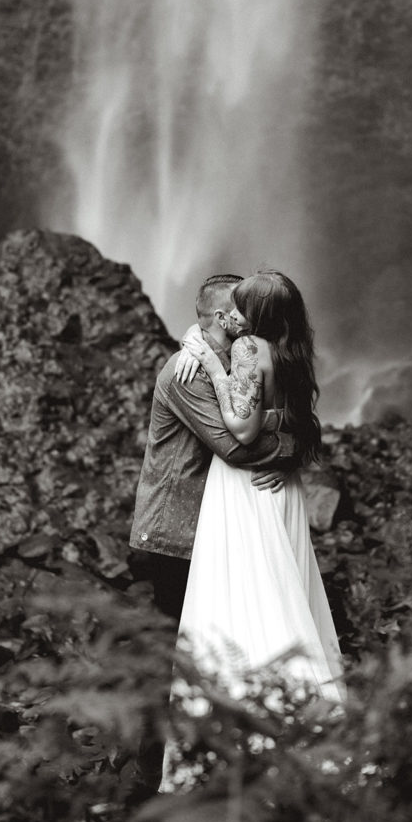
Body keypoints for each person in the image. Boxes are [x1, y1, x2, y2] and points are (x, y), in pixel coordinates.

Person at [162, 270, 345, 788]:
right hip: (282, 490)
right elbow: (297, 422)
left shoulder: (246, 350)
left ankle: (242, 746)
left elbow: (238, 429)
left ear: (257, 314)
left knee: (239, 597)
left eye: (242, 306)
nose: (232, 315)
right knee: (285, 593)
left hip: (244, 491)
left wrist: (211, 367)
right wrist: (283, 434)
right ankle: (306, 730)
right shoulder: (292, 351)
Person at [127, 273, 297, 803]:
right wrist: (293, 448)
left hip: (204, 533)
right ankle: (146, 786)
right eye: (235, 311)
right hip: (170, 536)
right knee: (173, 660)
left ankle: (205, 776)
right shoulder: (187, 373)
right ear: (214, 317)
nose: (244, 318)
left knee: (208, 652)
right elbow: (234, 448)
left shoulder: (224, 362)